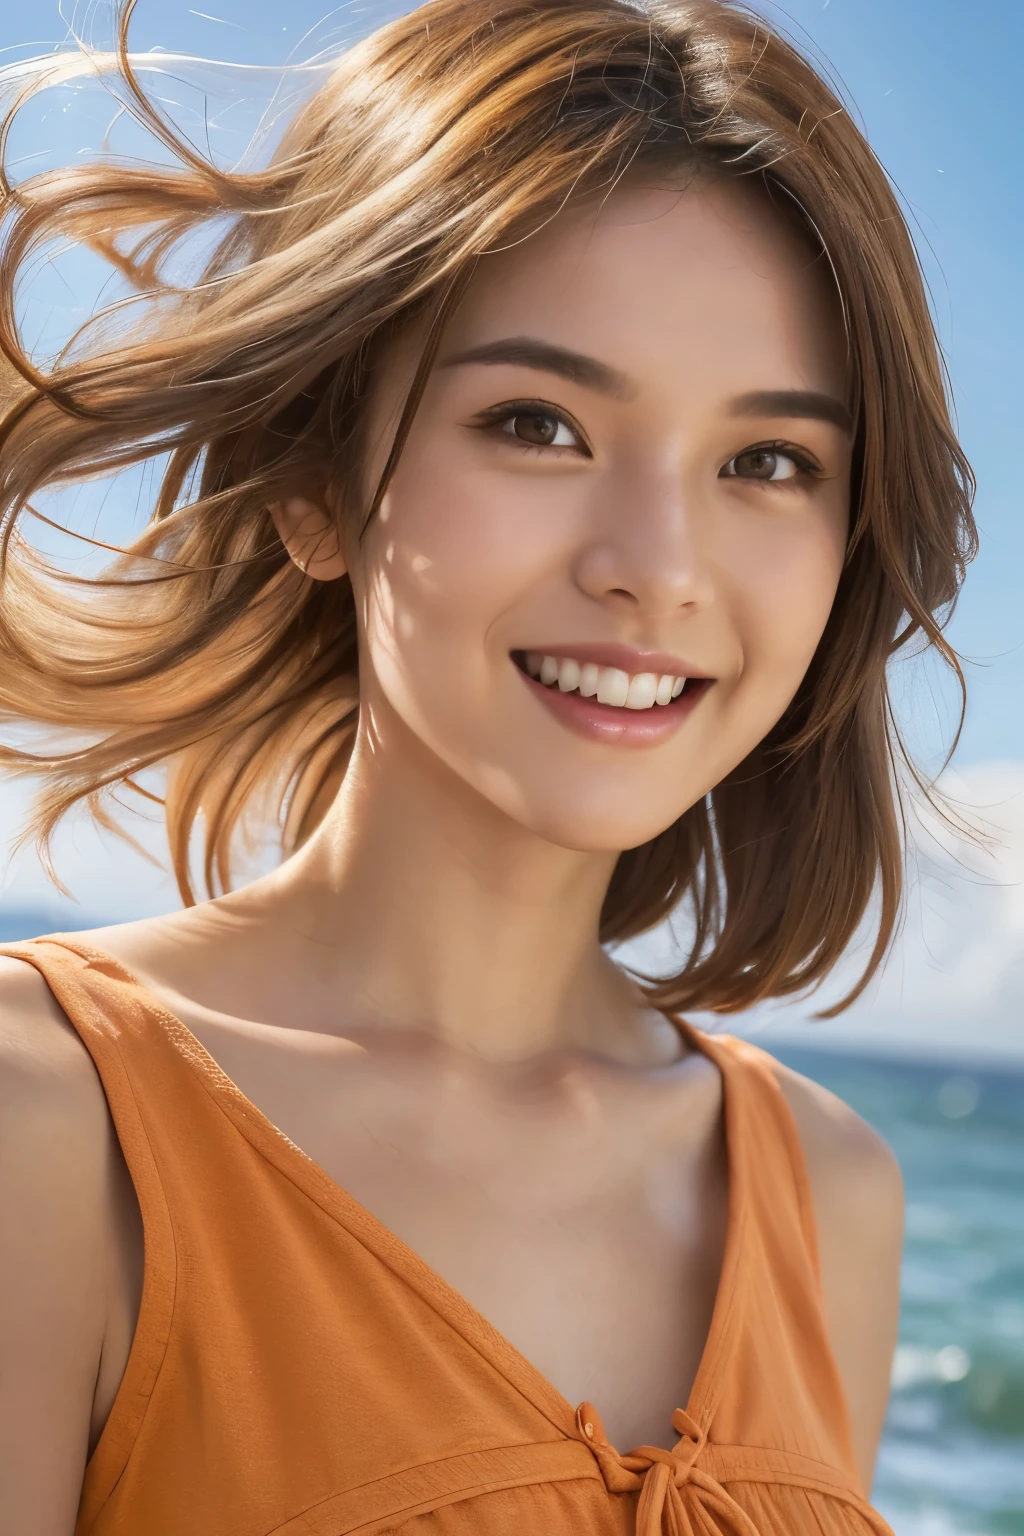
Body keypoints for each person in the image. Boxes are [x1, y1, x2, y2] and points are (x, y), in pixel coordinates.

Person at [0, 0, 975, 1531]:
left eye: (767, 463)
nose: (660, 570)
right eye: (539, 423)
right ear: (316, 483)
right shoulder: (44, 1120)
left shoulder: (830, 1189)